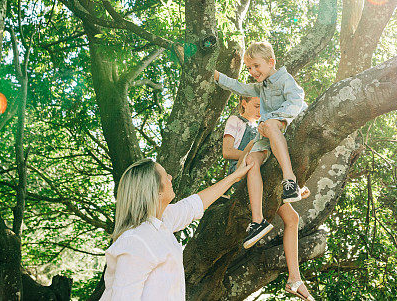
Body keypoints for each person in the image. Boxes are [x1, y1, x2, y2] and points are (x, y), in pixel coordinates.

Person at [101, 157, 252, 300]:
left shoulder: (162, 222)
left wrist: (235, 176)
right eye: (165, 176)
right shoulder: (136, 241)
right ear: (156, 191)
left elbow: (194, 204)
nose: (170, 177)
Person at [213, 40, 308, 249]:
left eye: (256, 66)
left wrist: (271, 119)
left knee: (271, 126)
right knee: (250, 161)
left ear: (270, 62)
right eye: (249, 67)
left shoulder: (284, 79)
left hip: (284, 124)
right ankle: (258, 221)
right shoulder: (261, 87)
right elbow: (239, 86)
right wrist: (217, 76)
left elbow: (296, 101)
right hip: (267, 131)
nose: (252, 71)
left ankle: (290, 180)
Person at [222, 95, 315, 301]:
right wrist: (256, 147)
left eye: (261, 106)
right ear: (243, 103)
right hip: (241, 172)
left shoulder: (263, 124)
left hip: (261, 173)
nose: (258, 110)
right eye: (256, 105)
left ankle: (295, 278)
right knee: (261, 144)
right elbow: (227, 152)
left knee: (292, 219)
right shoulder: (235, 121)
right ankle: (258, 220)